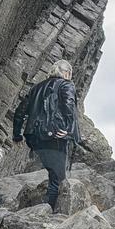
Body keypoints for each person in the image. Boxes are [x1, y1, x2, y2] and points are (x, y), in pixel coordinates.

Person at [12, 60, 81, 212]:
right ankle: (51, 213)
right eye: (69, 74)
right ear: (66, 73)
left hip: (34, 137)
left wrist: (17, 135)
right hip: (54, 135)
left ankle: (40, 207)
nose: (69, 77)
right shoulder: (66, 84)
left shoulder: (36, 88)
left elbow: (20, 111)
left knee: (53, 173)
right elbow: (69, 105)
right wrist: (69, 130)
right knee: (58, 179)